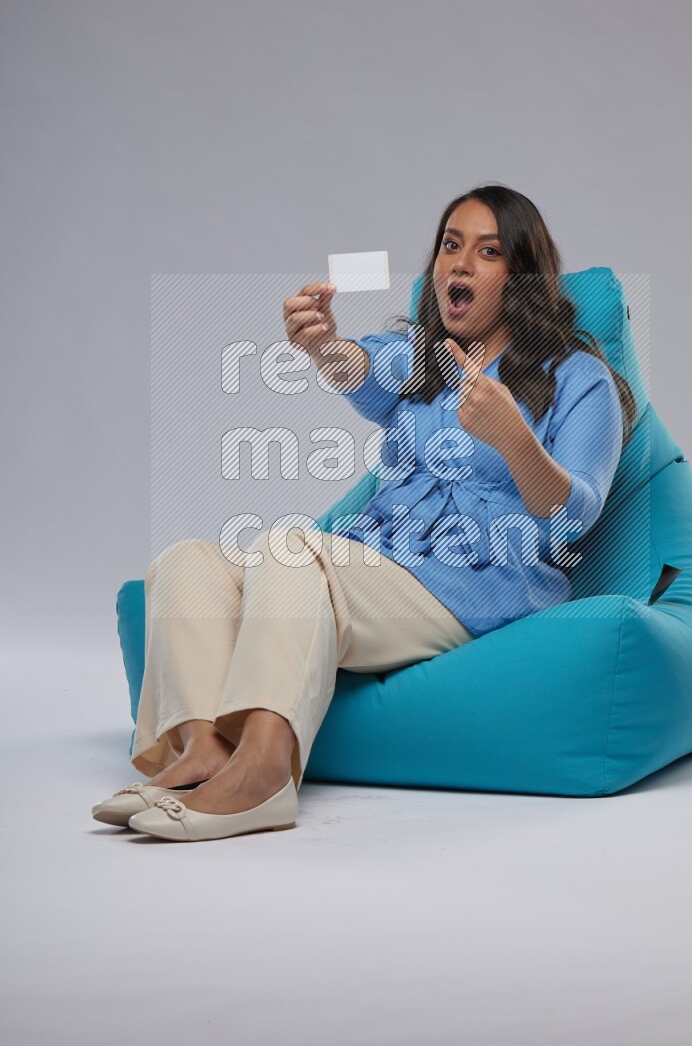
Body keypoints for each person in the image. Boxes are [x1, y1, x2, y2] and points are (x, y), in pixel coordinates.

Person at [91, 184, 637, 841]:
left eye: (487, 252)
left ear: (518, 276)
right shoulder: (422, 358)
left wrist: (515, 439)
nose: (459, 265)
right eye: (450, 245)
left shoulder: (578, 378)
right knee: (187, 563)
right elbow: (361, 368)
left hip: (475, 585)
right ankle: (201, 748)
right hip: (375, 565)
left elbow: (572, 514)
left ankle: (263, 774)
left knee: (292, 547)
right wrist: (323, 345)